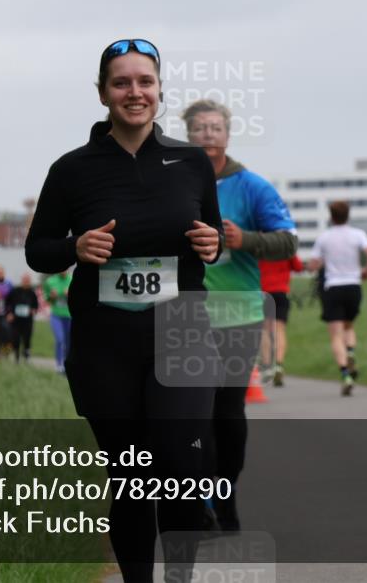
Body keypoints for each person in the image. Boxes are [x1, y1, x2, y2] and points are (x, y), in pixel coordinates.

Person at [25, 38, 222, 583]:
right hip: (105, 343)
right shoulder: (72, 170)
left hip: (180, 330)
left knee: (180, 467)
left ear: (159, 90)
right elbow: (37, 249)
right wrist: (75, 248)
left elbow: (210, 237)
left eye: (144, 81)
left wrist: (213, 245)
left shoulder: (191, 162)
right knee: (132, 474)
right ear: (103, 93)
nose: (134, 92)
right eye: (121, 82)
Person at [184, 98, 297, 532]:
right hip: (184, 315)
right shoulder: (172, 183)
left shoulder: (252, 187)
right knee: (194, 412)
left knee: (227, 411)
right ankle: (201, 500)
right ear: (188, 135)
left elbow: (287, 242)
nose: (208, 134)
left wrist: (245, 239)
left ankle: (225, 495)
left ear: (227, 135)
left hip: (237, 314)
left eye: (216, 127)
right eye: (200, 128)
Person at [307, 201, 367, 396]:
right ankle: (352, 353)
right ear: (348, 215)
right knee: (349, 325)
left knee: (336, 335)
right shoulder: (358, 234)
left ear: (331, 216)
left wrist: (317, 264)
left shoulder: (324, 238)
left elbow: (312, 265)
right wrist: (366, 271)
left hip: (333, 287)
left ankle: (346, 374)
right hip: (353, 285)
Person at [258, 255, 304, 387]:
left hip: (263, 291)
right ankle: (278, 365)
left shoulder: (259, 246)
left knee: (265, 331)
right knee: (279, 330)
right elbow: (298, 267)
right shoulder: (285, 247)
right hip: (281, 291)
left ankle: (267, 367)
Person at [42, 271, 72, 373]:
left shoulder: (72, 279)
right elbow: (46, 299)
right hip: (56, 315)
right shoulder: (50, 281)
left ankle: (66, 364)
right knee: (60, 339)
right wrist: (51, 296)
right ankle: (58, 364)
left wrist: (71, 294)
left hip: (69, 315)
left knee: (69, 342)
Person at [6, 273, 39, 362]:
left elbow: (36, 306)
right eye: (25, 280)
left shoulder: (32, 293)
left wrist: (33, 310)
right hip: (16, 319)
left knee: (27, 338)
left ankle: (26, 354)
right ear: (22, 281)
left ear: (30, 282)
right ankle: (16, 357)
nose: (26, 282)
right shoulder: (15, 291)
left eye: (28, 280)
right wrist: (9, 313)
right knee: (15, 338)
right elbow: (7, 303)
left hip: (27, 320)